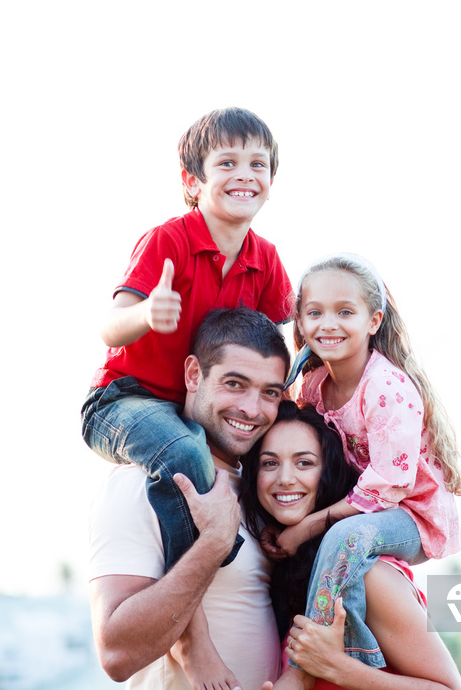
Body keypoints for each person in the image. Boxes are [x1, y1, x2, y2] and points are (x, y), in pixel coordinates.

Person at [82, 106, 294, 573]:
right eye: (227, 163)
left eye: (258, 164)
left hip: (196, 407)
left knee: (299, 435)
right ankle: (204, 570)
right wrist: (146, 313)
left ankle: (289, 550)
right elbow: (109, 326)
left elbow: (284, 344)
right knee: (183, 452)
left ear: (271, 182)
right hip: (125, 401)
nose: (245, 174)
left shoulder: (266, 258)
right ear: (193, 180)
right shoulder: (169, 241)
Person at [269, 253, 461, 678]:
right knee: (345, 537)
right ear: (300, 323)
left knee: (346, 536)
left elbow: (388, 488)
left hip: (410, 516)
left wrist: (309, 524)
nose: (328, 324)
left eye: (345, 312)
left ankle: (339, 655)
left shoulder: (386, 389)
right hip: (363, 512)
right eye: (314, 312)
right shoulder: (316, 384)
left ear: (373, 320)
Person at [88, 307, 291, 690]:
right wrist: (213, 544)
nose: (251, 408)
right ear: (194, 374)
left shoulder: (259, 486)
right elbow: (116, 654)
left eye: (269, 392)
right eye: (235, 384)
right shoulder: (138, 484)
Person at [241, 401, 461, 690]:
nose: (285, 479)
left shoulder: (367, 575)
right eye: (270, 463)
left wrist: (338, 669)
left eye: (305, 463)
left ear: (329, 472)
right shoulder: (283, 567)